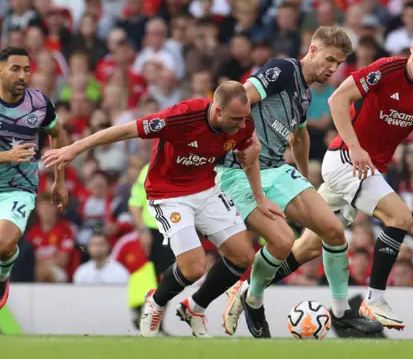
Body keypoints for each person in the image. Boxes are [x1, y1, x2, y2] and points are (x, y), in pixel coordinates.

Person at [230, 23, 413, 331]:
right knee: (400, 217)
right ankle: (375, 298)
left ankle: (246, 289)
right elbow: (337, 100)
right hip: (345, 160)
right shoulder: (385, 70)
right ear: (412, 48)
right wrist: (355, 147)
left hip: (366, 169)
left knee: (310, 247)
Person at [42, 81, 284, 338]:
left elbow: (250, 154)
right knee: (193, 268)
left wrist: (260, 198)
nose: (240, 124)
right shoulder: (181, 117)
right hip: (168, 193)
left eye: (244, 118)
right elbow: (125, 130)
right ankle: (155, 302)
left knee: (243, 255)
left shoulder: (242, 124)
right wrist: (75, 148)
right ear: (217, 110)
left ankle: (195, 307)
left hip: (206, 188)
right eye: (235, 118)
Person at [200, 26, 383, 339]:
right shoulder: (283, 70)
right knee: (282, 242)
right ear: (312, 50)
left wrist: (303, 177)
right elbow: (242, 97)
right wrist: (237, 139)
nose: (332, 68)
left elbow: (300, 136)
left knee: (335, 231)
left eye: (338, 64)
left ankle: (340, 315)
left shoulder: (304, 93)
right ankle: (251, 299)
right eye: (329, 59)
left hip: (276, 170)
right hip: (239, 169)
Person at [0, 47, 69, 335]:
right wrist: (8, 154)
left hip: (20, 186)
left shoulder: (40, 103)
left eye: (27, 69)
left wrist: (60, 178)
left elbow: (58, 135)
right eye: (16, 69)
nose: (23, 75)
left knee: (3, 244)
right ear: (0, 72)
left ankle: (1, 276)